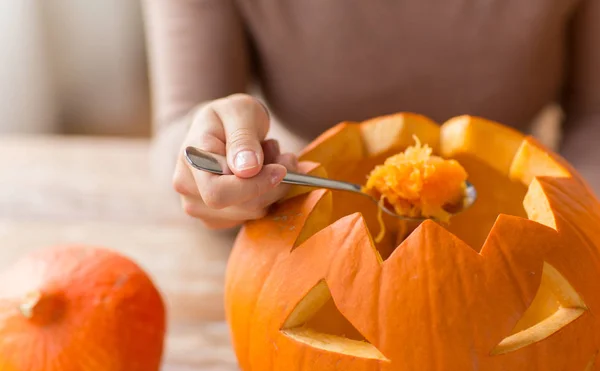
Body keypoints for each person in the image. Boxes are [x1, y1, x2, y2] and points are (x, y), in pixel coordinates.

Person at [141, 0, 599, 232]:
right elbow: (182, 122)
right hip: (306, 220)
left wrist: (576, 225)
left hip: (518, 221)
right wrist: (212, 157)